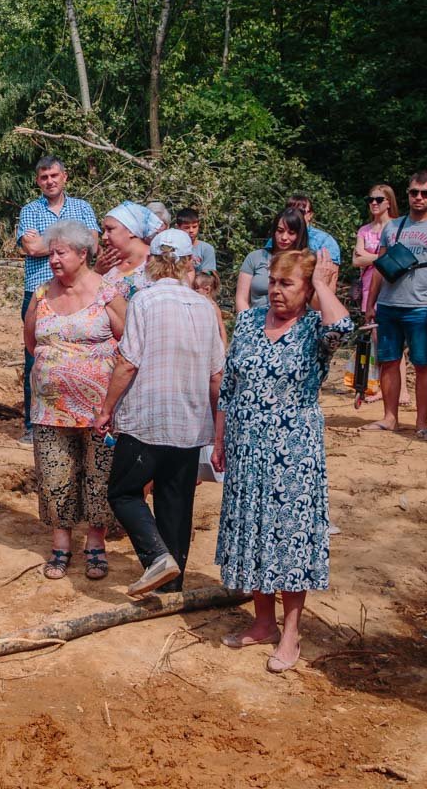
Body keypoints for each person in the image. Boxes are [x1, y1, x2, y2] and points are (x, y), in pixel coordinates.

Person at [212, 249, 352, 673]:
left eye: (286, 283)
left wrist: (323, 286)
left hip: (293, 454)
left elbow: (344, 328)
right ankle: (262, 623)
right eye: (272, 281)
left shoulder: (314, 329)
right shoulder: (250, 323)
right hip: (246, 446)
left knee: (288, 540)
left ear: (306, 288)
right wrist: (219, 440)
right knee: (253, 531)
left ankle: (291, 633)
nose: (274, 290)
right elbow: (230, 386)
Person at [94, 229, 225, 596]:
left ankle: (156, 557)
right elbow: (217, 375)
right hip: (189, 422)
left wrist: (106, 408)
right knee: (176, 503)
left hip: (146, 420)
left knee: (123, 492)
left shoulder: (144, 301)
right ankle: (173, 585)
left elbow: (128, 362)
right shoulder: (205, 307)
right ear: (188, 264)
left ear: (152, 262)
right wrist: (219, 429)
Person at [23, 221, 127, 580]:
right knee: (55, 475)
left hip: (100, 408)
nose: (52, 258)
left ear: (83, 254)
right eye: (50, 252)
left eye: (60, 252)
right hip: (50, 407)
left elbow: (129, 342)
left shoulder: (107, 291)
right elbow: (30, 340)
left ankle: (95, 544)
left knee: (99, 475)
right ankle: (61, 544)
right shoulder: (41, 294)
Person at [363, 171, 427, 436]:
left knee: (422, 363)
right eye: (414, 192)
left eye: (425, 193)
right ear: (407, 193)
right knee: (389, 361)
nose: (419, 197)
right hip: (389, 305)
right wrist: (371, 304)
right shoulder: (393, 227)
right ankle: (390, 418)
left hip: (422, 306)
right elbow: (380, 268)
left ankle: (420, 423)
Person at [15, 156, 100, 443]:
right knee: (35, 356)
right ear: (38, 181)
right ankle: (33, 423)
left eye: (54, 175)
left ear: (64, 177)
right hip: (39, 292)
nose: (49, 181)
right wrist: (69, 243)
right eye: (43, 177)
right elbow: (30, 247)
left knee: (81, 353)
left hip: (80, 292)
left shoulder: (83, 207)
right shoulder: (29, 209)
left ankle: (80, 412)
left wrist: (45, 242)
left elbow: (93, 245)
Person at [351, 185, 404, 403]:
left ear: (389, 202)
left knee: (393, 339)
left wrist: (369, 256)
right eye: (370, 199)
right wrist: (382, 257)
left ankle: (399, 391)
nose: (373, 203)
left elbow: (399, 258)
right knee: (377, 339)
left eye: (378, 199)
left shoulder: (398, 227)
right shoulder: (364, 230)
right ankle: (386, 387)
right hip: (368, 290)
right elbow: (356, 261)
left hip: (392, 289)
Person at [236, 209, 310, 312]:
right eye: (280, 231)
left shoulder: (306, 262)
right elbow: (241, 299)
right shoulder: (255, 257)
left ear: (299, 235)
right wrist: (246, 323)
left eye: (291, 233)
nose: (284, 237)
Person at [101, 201, 165, 300]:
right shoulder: (107, 264)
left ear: (131, 231)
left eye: (110, 229)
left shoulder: (160, 261)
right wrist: (97, 273)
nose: (104, 237)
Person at [264, 194, 342, 264]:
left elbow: (331, 273)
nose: (295, 214)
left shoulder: (324, 240)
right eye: (290, 210)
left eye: (300, 211)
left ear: (310, 215)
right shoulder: (277, 238)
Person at [174, 207, 218, 274]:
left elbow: (209, 276)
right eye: (186, 227)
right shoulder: (171, 248)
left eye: (194, 227)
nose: (191, 231)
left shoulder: (206, 249)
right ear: (177, 227)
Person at [192, 271, 228, 344]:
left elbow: (221, 328)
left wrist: (224, 347)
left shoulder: (213, 307)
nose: (193, 292)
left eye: (196, 289)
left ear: (207, 290)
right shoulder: (196, 305)